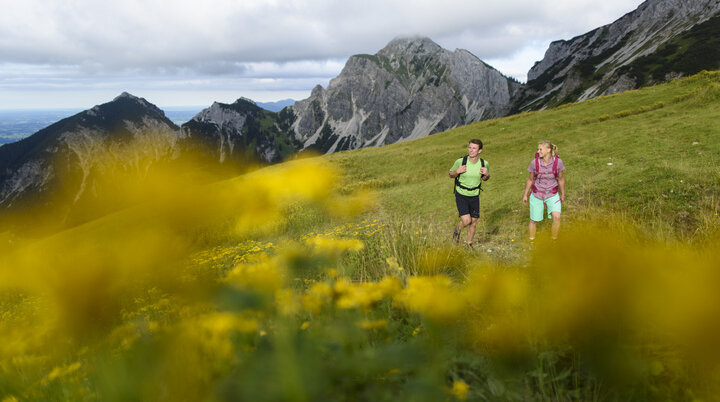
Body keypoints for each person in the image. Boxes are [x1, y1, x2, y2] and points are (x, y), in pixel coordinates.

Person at [449, 139, 490, 248]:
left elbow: (485, 178)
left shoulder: (484, 163)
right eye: (470, 147)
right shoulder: (461, 161)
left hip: (474, 195)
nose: (471, 150)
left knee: (474, 221)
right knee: (467, 221)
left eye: (474, 148)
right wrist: (457, 172)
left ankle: (469, 244)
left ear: (479, 151)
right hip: (461, 194)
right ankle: (456, 230)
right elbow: (450, 174)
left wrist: (487, 174)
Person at [522, 141, 565, 241]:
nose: (538, 151)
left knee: (557, 217)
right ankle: (532, 241)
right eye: (538, 149)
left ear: (548, 150)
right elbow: (530, 179)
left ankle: (554, 240)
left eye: (540, 149)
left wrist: (562, 194)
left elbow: (561, 179)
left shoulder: (558, 163)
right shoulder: (534, 163)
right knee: (533, 220)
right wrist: (525, 195)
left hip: (552, 193)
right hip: (537, 194)